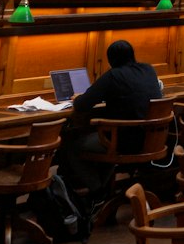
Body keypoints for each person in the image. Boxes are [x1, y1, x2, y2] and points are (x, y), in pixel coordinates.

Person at [61, 39, 164, 195]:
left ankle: (98, 190)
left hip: (124, 141)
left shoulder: (113, 75)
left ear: (110, 61)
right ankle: (102, 191)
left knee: (70, 143)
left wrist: (76, 98)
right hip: (151, 139)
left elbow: (82, 105)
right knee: (107, 136)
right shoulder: (148, 70)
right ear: (133, 55)